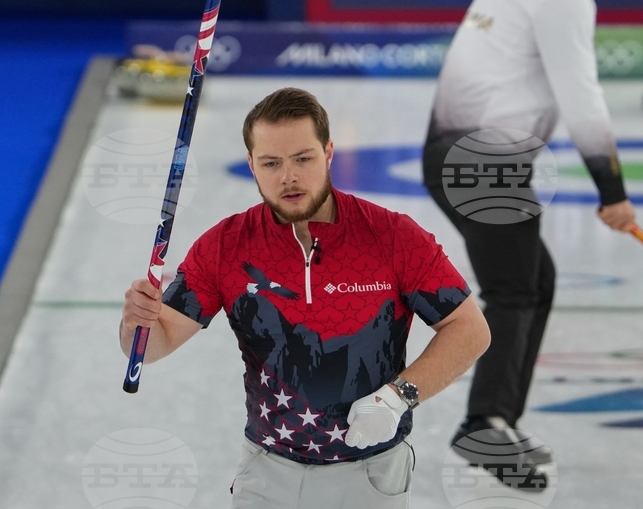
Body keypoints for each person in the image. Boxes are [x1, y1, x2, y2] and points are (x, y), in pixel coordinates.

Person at [120, 88, 491, 509]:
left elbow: (469, 330)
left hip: (370, 473)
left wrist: (397, 397)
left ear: (329, 152)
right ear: (252, 166)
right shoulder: (225, 246)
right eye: (271, 163)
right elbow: (151, 345)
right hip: (266, 472)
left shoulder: (393, 237)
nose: (288, 177)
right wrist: (137, 320)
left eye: (303, 158)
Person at [421, 0, 637, 485]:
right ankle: (484, 426)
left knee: (535, 278)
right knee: (516, 289)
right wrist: (613, 193)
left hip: (463, 154)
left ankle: (501, 421)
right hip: (481, 158)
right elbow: (583, 101)